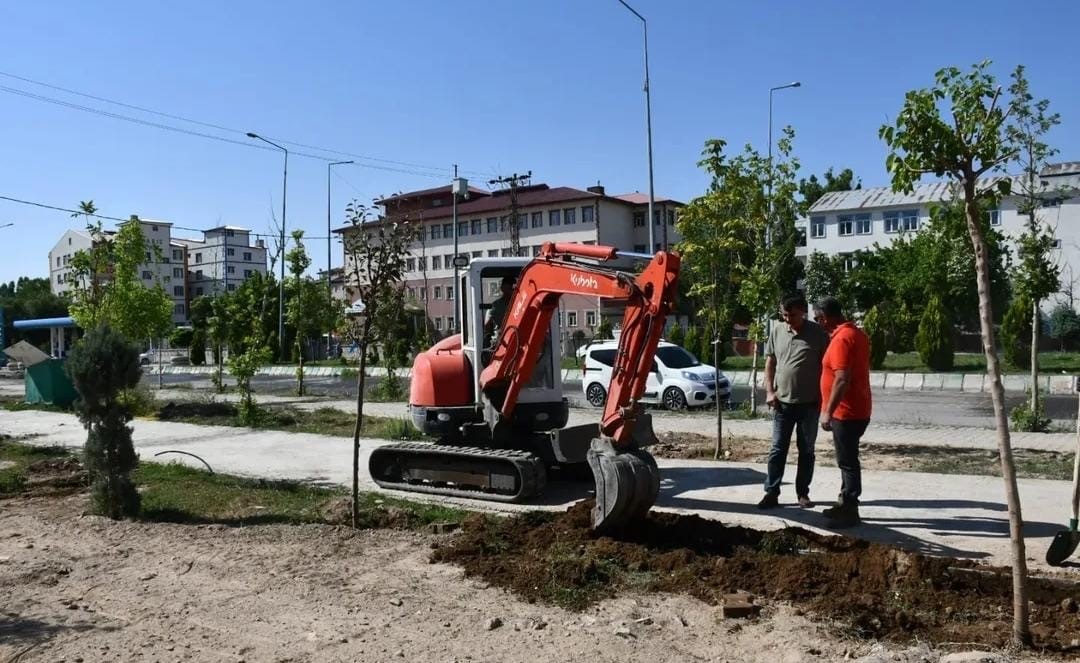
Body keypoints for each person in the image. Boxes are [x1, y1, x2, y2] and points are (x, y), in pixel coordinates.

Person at [758, 294, 831, 510]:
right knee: (777, 450)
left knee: (806, 451)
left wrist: (824, 400)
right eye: (784, 315)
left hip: (809, 404)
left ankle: (803, 493)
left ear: (803, 313)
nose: (788, 319)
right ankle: (771, 492)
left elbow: (827, 367)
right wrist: (769, 392)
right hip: (782, 404)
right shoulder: (777, 331)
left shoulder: (818, 334)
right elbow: (770, 363)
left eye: (792, 315)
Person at [815, 296, 873, 528]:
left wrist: (827, 411)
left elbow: (841, 379)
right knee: (848, 458)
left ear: (825, 317)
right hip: (858, 408)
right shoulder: (857, 333)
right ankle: (844, 502)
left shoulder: (842, 339)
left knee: (847, 461)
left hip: (846, 412)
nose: (818, 323)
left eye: (818, 318)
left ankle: (850, 509)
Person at [484, 276, 516, 343]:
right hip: (500, 340)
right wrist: (488, 337)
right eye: (508, 288)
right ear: (502, 288)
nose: (511, 291)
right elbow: (488, 325)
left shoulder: (519, 303)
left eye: (512, 288)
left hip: (517, 336)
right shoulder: (496, 305)